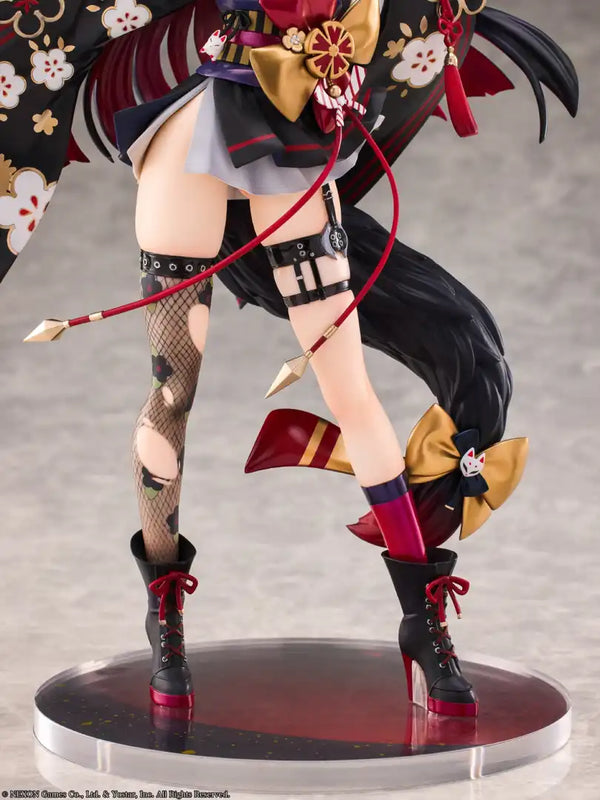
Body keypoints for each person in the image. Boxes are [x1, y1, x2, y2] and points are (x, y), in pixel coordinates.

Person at [0, 0, 578, 715]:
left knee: (350, 387)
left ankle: (421, 619)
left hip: (293, 139)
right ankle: (164, 611)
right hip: (193, 140)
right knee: (172, 390)